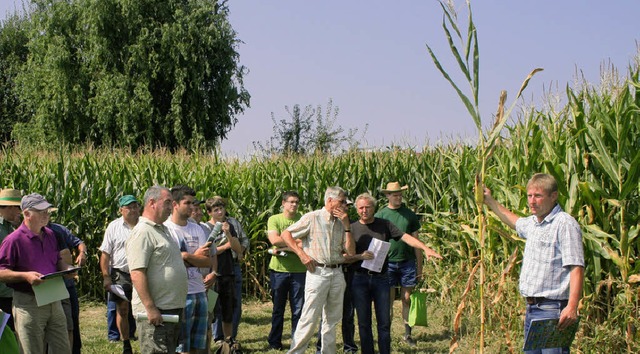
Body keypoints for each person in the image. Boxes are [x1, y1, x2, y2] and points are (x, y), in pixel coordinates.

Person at [482, 173, 584, 354]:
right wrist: (490, 201)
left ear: (553, 196)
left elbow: (576, 266)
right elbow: (514, 221)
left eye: (538, 196)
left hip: (553, 310)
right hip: (532, 309)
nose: (532, 201)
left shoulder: (564, 223)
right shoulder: (534, 223)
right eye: (529, 196)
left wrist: (572, 306)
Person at [349, 193, 442, 354]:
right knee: (364, 323)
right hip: (360, 279)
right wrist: (359, 256)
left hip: (381, 279)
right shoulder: (352, 228)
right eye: (361, 208)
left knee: (384, 322)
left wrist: (425, 248)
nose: (364, 210)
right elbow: (346, 254)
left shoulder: (384, 224)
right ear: (357, 209)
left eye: (368, 207)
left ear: (374, 208)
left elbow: (406, 237)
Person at [281, 186, 355, 354]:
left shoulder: (342, 222)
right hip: (318, 273)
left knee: (332, 319)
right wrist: (301, 254)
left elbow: (350, 252)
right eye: (342, 202)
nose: (345, 206)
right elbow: (286, 234)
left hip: (337, 273)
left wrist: (347, 226)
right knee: (309, 317)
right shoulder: (312, 218)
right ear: (330, 200)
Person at [0, 193, 74, 353]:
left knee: (63, 349)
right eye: (41, 211)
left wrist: (66, 268)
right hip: (28, 304)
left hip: (54, 299)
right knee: (31, 350)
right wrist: (25, 276)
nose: (46, 215)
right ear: (26, 214)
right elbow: (1, 272)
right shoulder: (13, 240)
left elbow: (57, 260)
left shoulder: (50, 234)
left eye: (47, 211)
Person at [125, 186, 188, 353]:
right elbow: (137, 273)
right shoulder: (143, 232)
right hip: (156, 313)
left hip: (169, 309)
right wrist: (150, 308)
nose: (171, 207)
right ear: (152, 203)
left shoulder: (162, 229)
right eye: (167, 202)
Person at [165, 185, 218, 354]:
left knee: (198, 346)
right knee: (182, 346)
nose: (191, 207)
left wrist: (187, 256)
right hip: (180, 294)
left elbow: (206, 261)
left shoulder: (196, 228)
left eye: (193, 203)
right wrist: (192, 257)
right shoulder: (166, 230)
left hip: (199, 291)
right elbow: (172, 262)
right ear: (174, 204)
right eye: (187, 203)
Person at [375, 181, 423, 346]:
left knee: (406, 298)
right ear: (388, 195)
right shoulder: (381, 215)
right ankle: (385, 333)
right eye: (395, 195)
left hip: (407, 262)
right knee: (387, 299)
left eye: (400, 195)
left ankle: (408, 334)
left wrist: (420, 266)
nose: (398, 198)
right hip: (387, 263)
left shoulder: (410, 215)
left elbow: (417, 242)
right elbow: (377, 243)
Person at [100, 194, 140, 353]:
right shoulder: (114, 227)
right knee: (122, 309)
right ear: (121, 210)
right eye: (129, 207)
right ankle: (126, 343)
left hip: (142, 272)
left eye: (135, 206)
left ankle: (142, 338)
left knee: (142, 309)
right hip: (120, 274)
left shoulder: (145, 225)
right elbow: (105, 254)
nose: (133, 210)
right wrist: (106, 276)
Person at [202, 196, 244, 348]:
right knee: (210, 310)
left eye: (222, 209)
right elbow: (206, 252)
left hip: (227, 272)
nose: (220, 212)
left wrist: (228, 235)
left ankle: (228, 341)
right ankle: (209, 340)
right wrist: (225, 247)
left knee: (228, 308)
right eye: (216, 210)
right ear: (209, 212)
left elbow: (238, 248)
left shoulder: (229, 226)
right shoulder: (204, 228)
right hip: (211, 274)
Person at [266, 191, 305, 350]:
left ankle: (296, 342)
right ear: (283, 203)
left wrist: (284, 245)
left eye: (296, 202)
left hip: (300, 270)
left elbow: (306, 243)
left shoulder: (303, 220)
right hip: (278, 270)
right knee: (278, 309)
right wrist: (295, 245)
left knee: (298, 309)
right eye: (291, 202)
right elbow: (274, 240)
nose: (294, 205)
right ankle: (275, 342)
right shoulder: (274, 219)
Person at [48, 222, 88, 354]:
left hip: (67, 284)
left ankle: (75, 349)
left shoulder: (59, 230)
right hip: (51, 286)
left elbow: (78, 243)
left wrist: (82, 253)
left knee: (71, 320)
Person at [0, 188, 22, 332]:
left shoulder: (8, 227)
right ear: (10, 207)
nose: (20, 212)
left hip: (8, 290)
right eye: (18, 208)